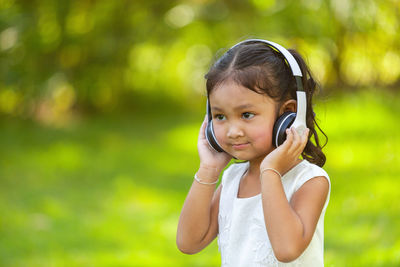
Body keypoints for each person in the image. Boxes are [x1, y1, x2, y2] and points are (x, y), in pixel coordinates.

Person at [176, 39, 331, 266]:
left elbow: (287, 249)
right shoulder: (232, 180)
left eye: (246, 114)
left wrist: (270, 171)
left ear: (287, 114)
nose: (232, 131)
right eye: (220, 116)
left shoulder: (310, 181)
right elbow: (189, 242)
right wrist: (208, 169)